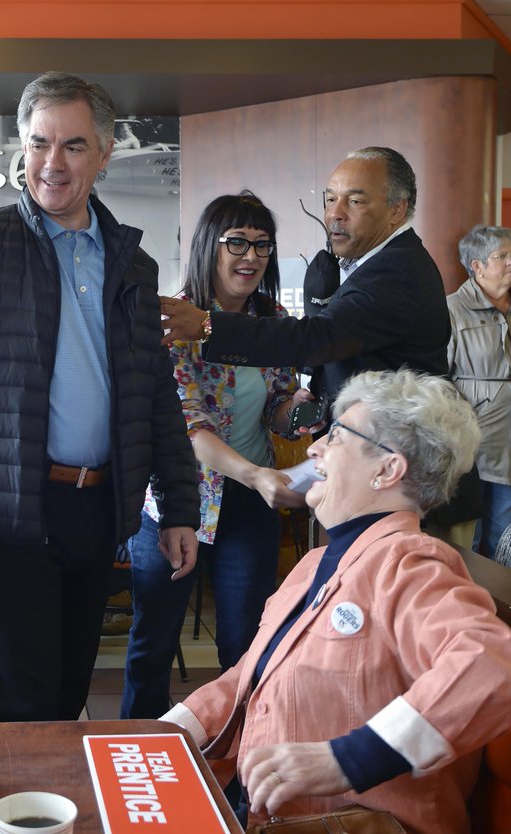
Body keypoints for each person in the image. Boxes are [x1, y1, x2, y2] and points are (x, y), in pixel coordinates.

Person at [0, 71, 199, 723]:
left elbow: (155, 396)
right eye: (39, 143)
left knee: (67, 697)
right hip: (7, 515)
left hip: (97, 512)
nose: (52, 163)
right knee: (19, 707)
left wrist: (178, 508)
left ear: (104, 154)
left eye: (73, 146)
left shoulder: (133, 266)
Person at [161, 369, 511, 834]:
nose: (314, 448)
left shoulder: (409, 563)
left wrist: (347, 760)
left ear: (387, 470)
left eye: (338, 436)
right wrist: (163, 734)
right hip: (273, 819)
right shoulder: (315, 564)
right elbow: (250, 678)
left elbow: (492, 663)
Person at [121, 192, 310, 719]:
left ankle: (237, 754)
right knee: (152, 644)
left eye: (262, 245)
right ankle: (137, 746)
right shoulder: (175, 318)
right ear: (210, 245)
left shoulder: (271, 318)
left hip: (249, 505)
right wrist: (257, 474)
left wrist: (297, 410)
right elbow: (189, 427)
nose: (251, 257)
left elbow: (277, 406)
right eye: (237, 243)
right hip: (176, 502)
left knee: (244, 646)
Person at [159, 147, 449, 411]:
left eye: (355, 201)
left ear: (397, 209)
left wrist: (207, 326)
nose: (335, 213)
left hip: (393, 444)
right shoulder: (377, 263)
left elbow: (318, 338)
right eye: (330, 199)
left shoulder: (397, 270)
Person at [448, 224, 511, 557]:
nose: (510, 262)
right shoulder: (452, 309)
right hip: (472, 445)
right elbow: (438, 379)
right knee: (466, 541)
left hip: (508, 449)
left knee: (504, 539)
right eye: (502, 256)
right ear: (477, 266)